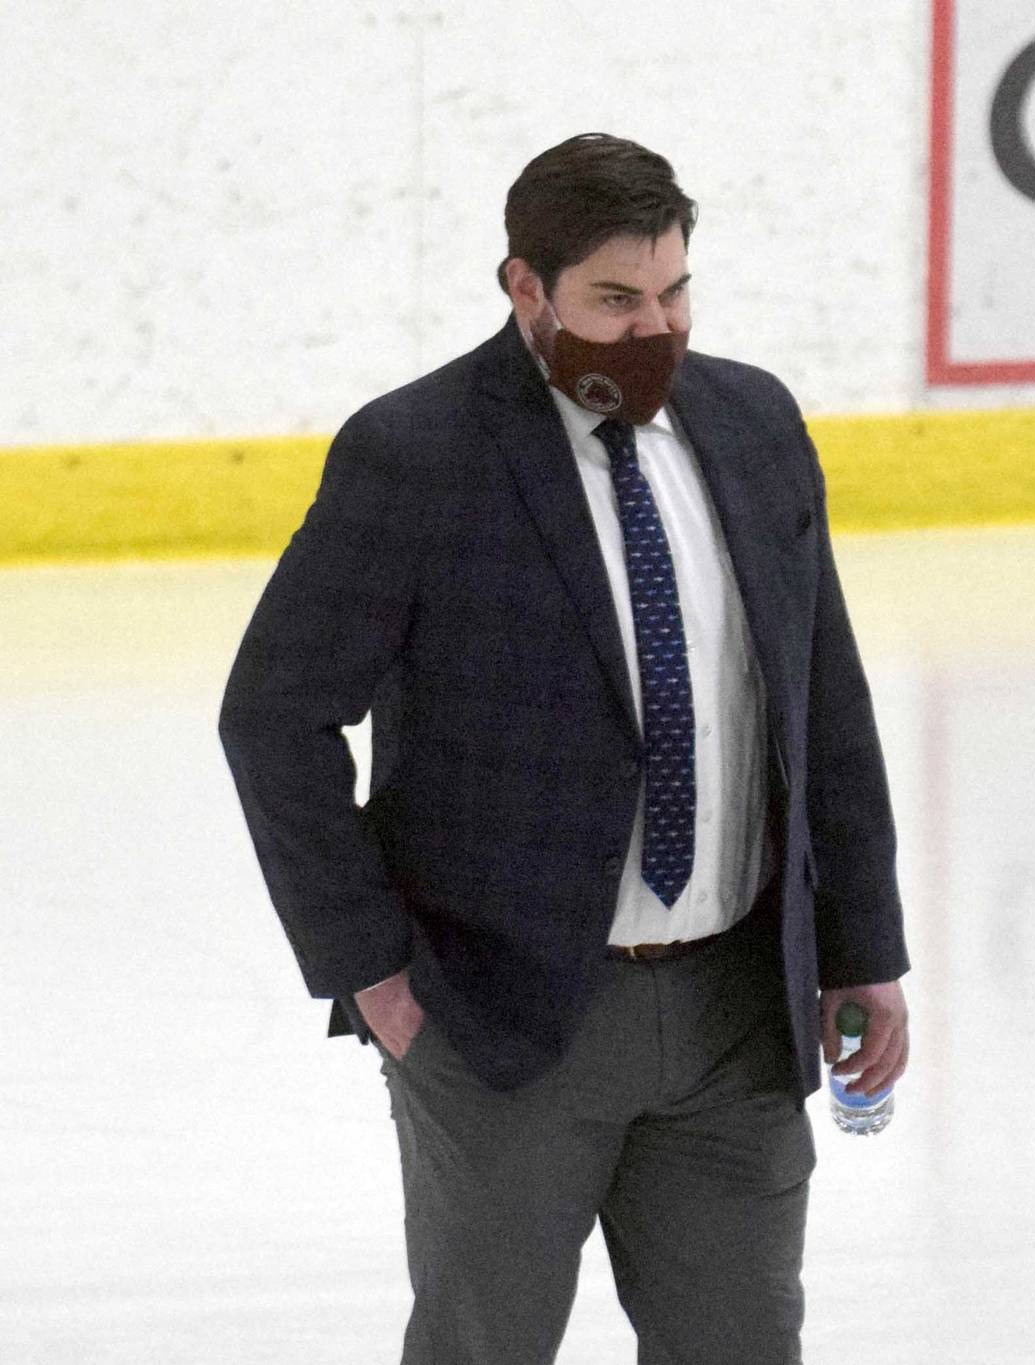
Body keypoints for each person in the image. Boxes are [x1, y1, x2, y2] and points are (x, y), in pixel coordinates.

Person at [219, 132, 909, 1364]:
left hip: (737, 1011)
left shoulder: (752, 424)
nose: (652, 328)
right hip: (501, 1017)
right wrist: (373, 972)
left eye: (672, 294)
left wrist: (861, 947)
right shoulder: (418, 453)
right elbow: (274, 717)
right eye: (612, 301)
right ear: (523, 288)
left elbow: (820, 697)